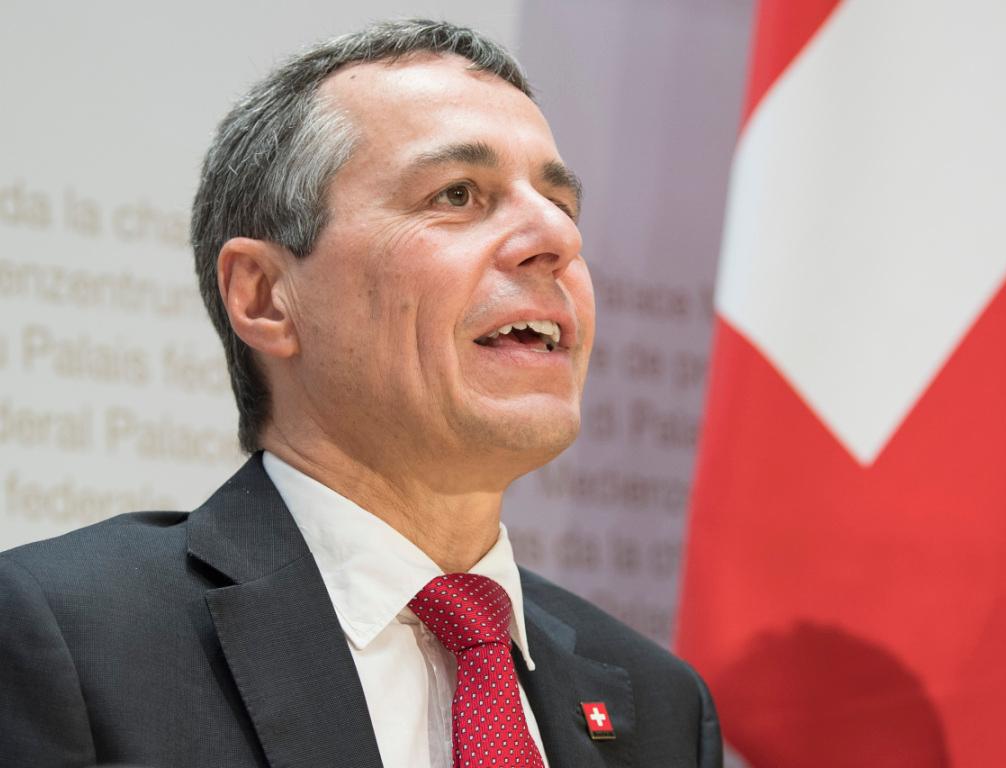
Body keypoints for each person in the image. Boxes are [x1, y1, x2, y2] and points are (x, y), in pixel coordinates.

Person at [0, 19, 721, 768]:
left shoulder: (659, 705)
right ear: (265, 297)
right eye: (458, 194)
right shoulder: (65, 640)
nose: (557, 239)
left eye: (561, 205)